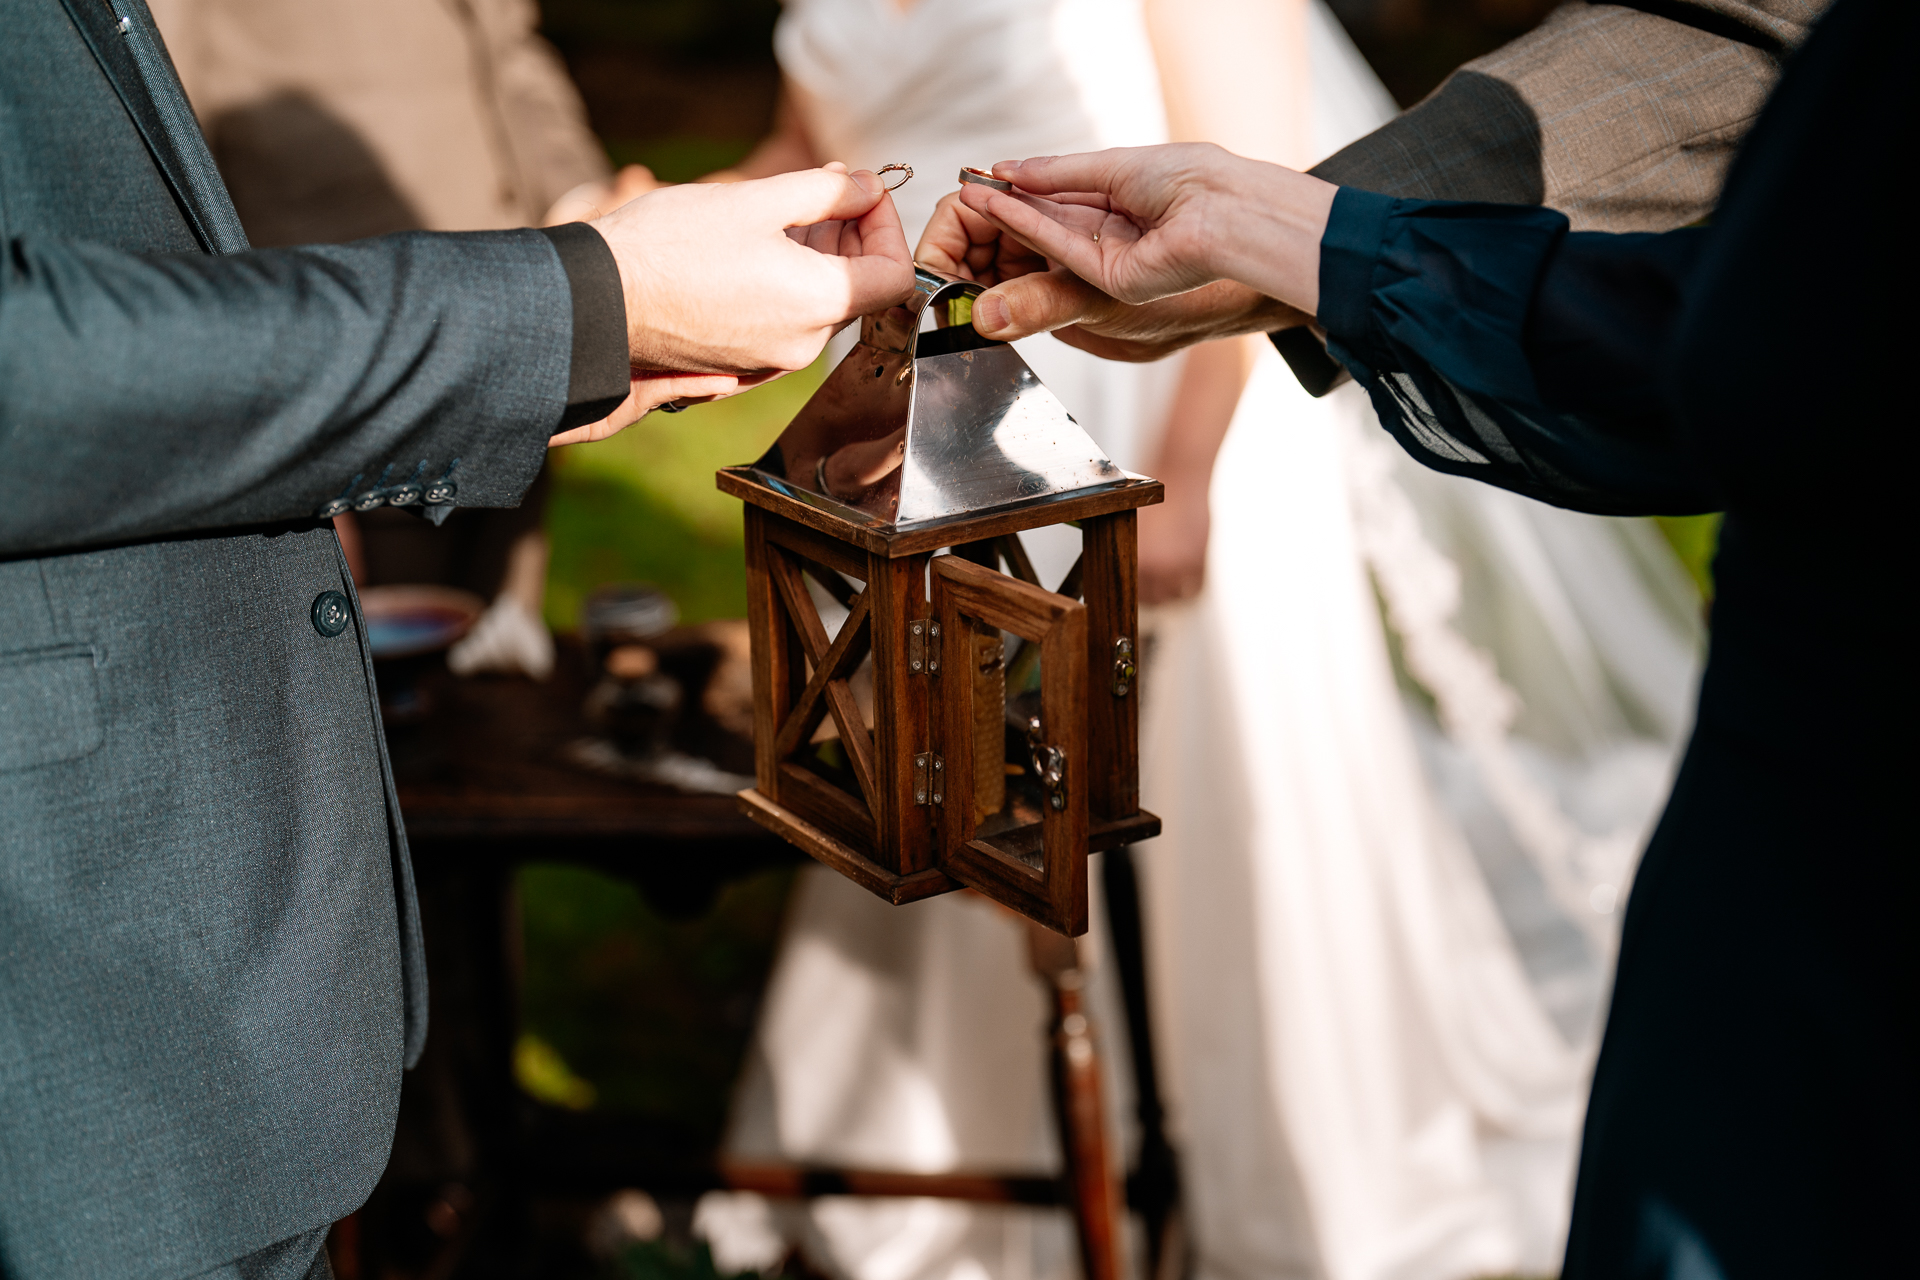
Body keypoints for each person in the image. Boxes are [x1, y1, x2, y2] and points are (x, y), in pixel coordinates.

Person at [702, 5, 1713, 1280]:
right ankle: (970, 1150)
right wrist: (644, 234)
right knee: (939, 754)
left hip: (1158, 383)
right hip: (938, 414)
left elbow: (1263, 177)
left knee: (1190, 788)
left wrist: (1185, 474)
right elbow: (808, 152)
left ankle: (1228, 1143)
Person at [928, 0, 1910, 1274]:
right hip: (1796, 773)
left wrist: (1306, 258)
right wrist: (1286, 234)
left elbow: (1752, 345)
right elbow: (1746, 42)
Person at [0, 4, 913, 1277]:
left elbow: (509, 58)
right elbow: (145, 229)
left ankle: (465, 1094)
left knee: (469, 750)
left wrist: (585, 216)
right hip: (331, 406)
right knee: (393, 762)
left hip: (502, 386)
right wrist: (576, 302)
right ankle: (430, 1161)